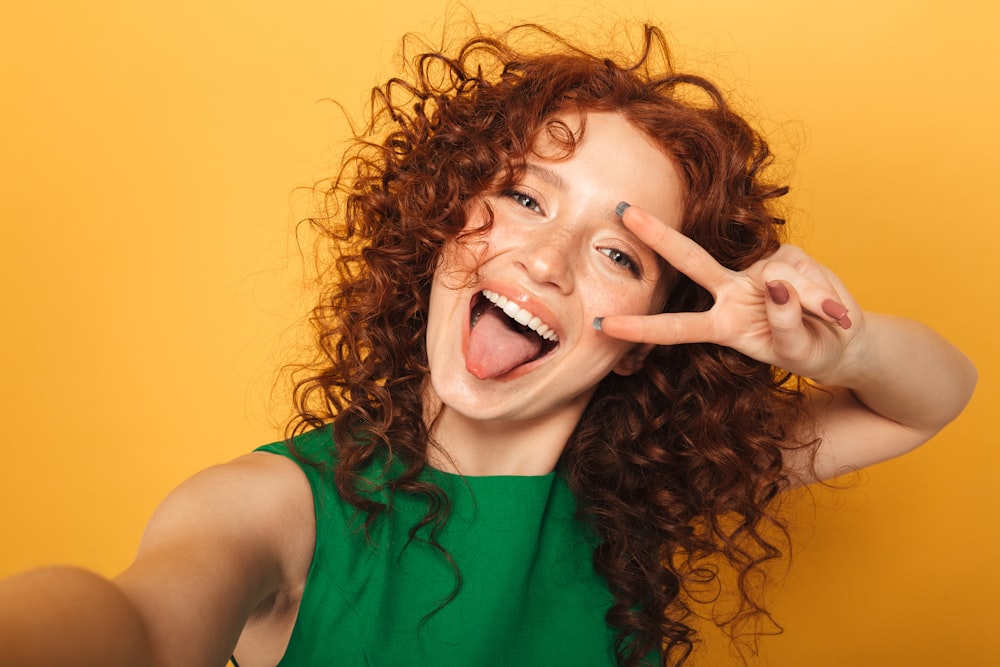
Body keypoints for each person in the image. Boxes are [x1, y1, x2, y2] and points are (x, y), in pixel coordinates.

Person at [0, 22, 976, 667]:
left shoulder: (639, 497)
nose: (547, 261)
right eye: (522, 198)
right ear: (443, 220)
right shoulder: (273, 508)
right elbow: (131, 626)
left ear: (640, 341)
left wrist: (836, 349)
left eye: (616, 253)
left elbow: (928, 398)